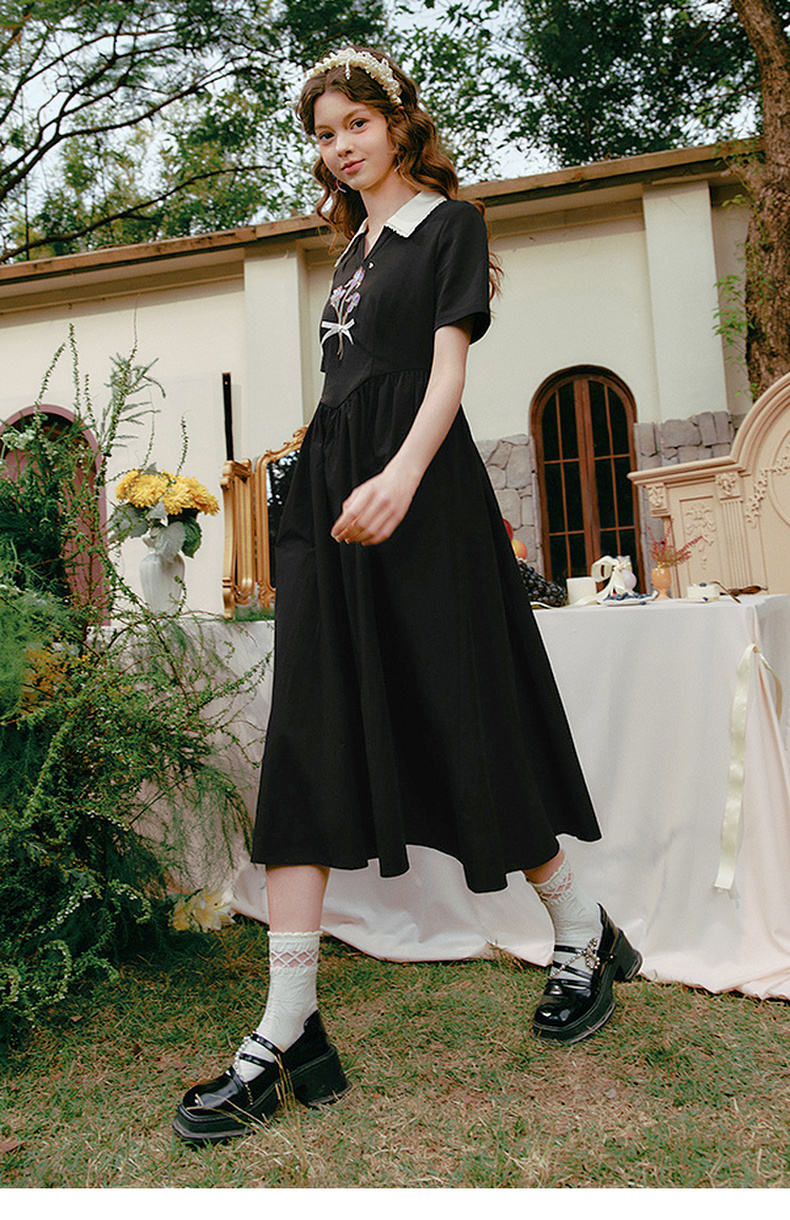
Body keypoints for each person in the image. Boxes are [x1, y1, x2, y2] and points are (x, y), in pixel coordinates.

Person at [173, 46, 641, 1145]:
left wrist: (400, 475)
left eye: (355, 123)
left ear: (395, 121)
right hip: (335, 505)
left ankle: (581, 928)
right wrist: (317, 475)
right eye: (323, 133)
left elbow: (445, 373)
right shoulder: (348, 251)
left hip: (420, 500)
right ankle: (288, 1022)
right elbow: (346, 384)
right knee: (308, 733)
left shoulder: (448, 225)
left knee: (461, 720)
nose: (340, 146)